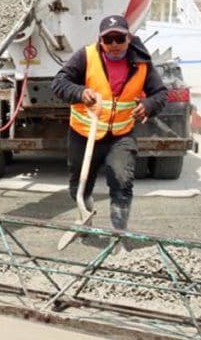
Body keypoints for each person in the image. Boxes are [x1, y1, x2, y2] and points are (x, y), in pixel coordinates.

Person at [52, 15, 168, 234]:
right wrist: (80, 92)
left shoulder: (142, 63)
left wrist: (149, 105)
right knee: (79, 186)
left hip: (121, 135)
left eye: (119, 39)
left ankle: (118, 235)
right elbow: (59, 83)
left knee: (122, 182)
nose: (114, 45)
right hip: (85, 134)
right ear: (100, 40)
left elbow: (160, 93)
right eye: (108, 40)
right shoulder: (86, 56)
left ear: (129, 38)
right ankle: (85, 216)